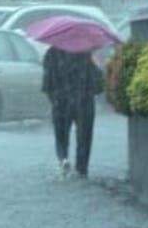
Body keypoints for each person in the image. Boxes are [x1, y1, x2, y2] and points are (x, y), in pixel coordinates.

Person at [42, 46, 104, 177]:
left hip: (61, 101)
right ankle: (81, 169)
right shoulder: (85, 53)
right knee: (84, 136)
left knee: (61, 135)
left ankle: (63, 158)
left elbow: (47, 84)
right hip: (84, 101)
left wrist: (54, 101)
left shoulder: (51, 53)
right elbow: (98, 85)